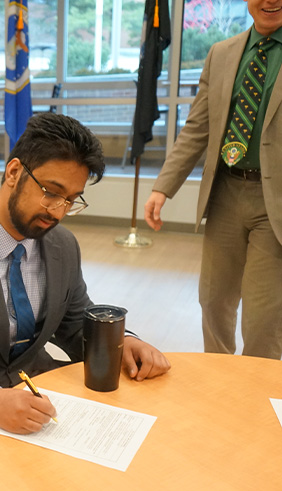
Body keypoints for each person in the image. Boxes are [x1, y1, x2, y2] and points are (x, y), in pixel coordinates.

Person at [0, 113, 171, 474]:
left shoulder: (61, 245)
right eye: (51, 193)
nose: (58, 212)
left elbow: (74, 324)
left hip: (36, 390)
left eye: (71, 199)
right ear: (13, 172)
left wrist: (123, 342)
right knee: (33, 481)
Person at [143, 1, 282, 360]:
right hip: (225, 193)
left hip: (276, 204)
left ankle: (256, 390)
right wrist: (163, 187)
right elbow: (197, 127)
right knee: (214, 301)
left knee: (263, 317)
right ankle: (218, 378)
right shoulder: (222, 54)